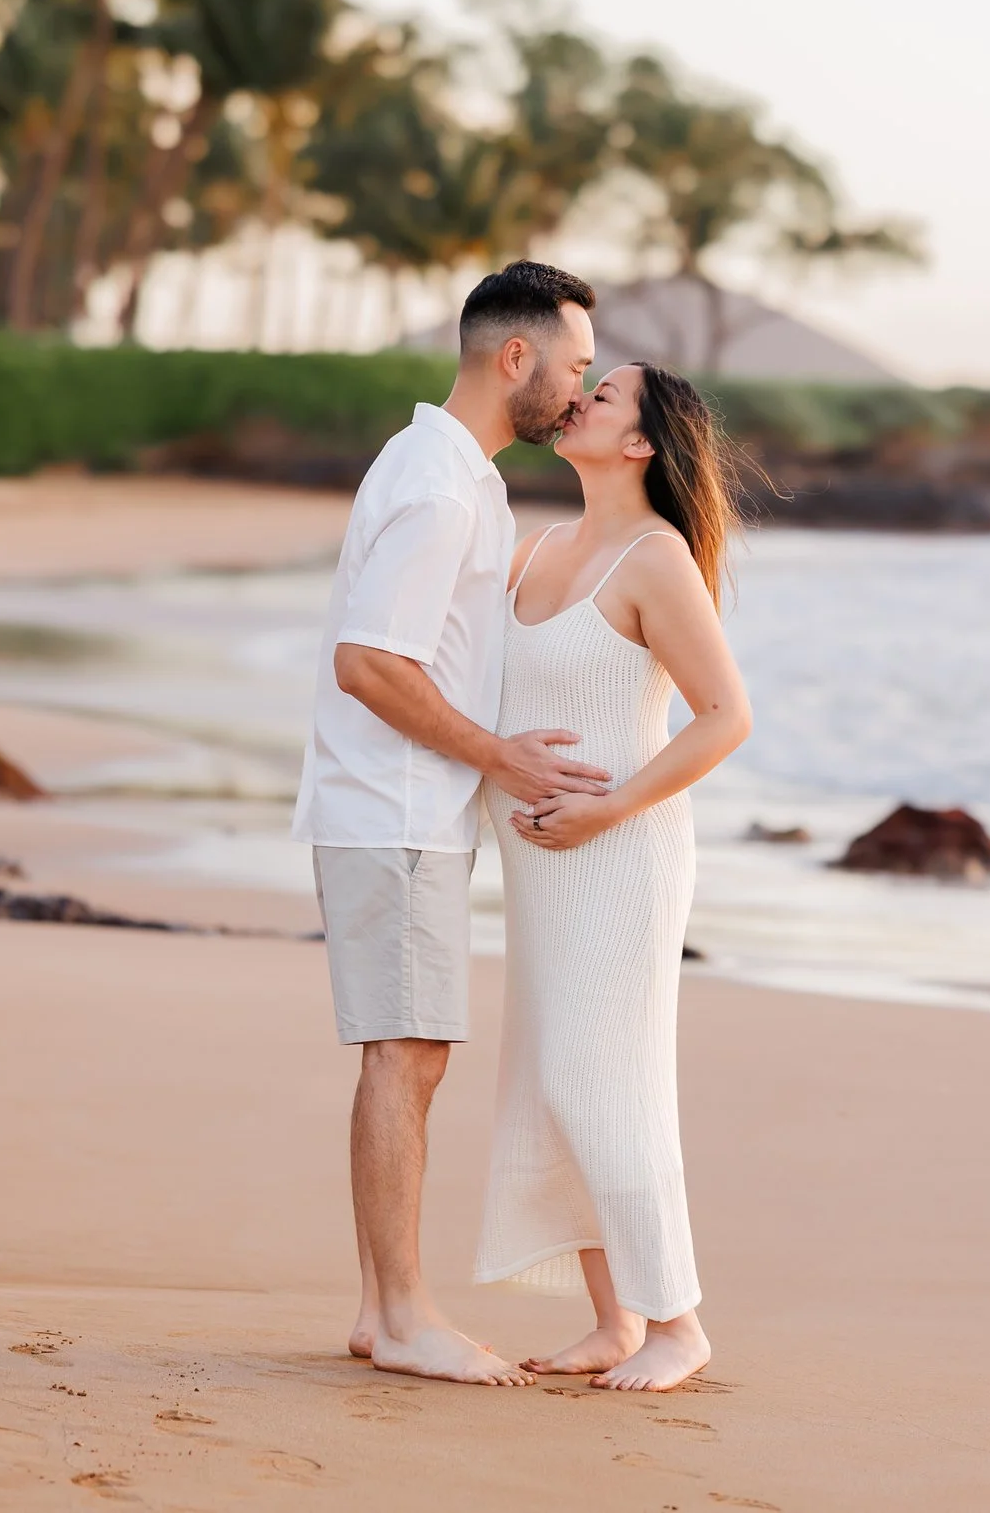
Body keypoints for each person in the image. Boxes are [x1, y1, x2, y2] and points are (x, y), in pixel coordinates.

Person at [290, 260, 603, 1386]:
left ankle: (386, 1309)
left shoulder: (456, 472)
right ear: (511, 356)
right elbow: (370, 660)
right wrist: (497, 754)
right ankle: (406, 1313)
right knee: (407, 1049)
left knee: (406, 1051)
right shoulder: (436, 483)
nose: (580, 389)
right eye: (572, 366)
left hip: (406, 807)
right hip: (395, 806)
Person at [473, 361, 752, 1391]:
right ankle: (615, 1318)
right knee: (558, 1078)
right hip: (542, 865)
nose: (581, 395)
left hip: (622, 856)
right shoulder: (535, 547)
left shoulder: (654, 556)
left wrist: (605, 805)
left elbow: (727, 714)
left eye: (607, 394)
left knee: (601, 1080)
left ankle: (679, 1321)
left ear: (640, 442)